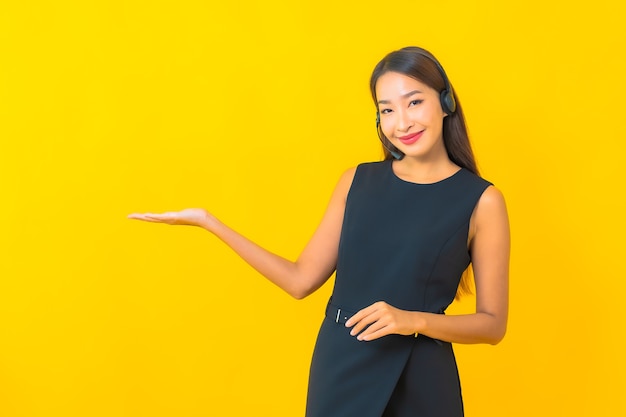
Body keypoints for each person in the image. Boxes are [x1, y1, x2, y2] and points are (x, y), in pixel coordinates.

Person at [128, 46, 510, 417]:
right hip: (341, 366)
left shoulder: (482, 201)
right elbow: (300, 281)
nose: (402, 123)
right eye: (387, 110)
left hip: (423, 377)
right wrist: (209, 222)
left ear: (445, 103)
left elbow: (493, 324)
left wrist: (414, 320)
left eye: (414, 102)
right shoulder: (355, 182)